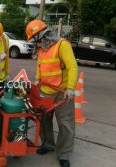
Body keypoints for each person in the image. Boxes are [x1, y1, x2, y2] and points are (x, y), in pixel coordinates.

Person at [25, 20, 78, 167]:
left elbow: (72, 66)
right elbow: (40, 66)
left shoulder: (62, 45)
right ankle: (48, 144)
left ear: (42, 35)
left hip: (62, 92)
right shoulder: (42, 49)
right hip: (45, 91)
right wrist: (37, 80)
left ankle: (64, 154)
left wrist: (71, 88)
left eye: (35, 39)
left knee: (65, 123)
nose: (35, 43)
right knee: (43, 120)